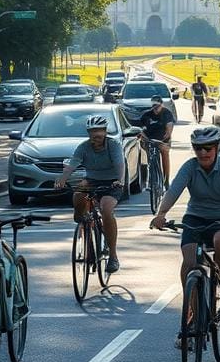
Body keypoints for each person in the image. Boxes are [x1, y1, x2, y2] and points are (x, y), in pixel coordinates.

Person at [150, 126, 220, 332]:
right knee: (190, 261)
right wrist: (161, 214)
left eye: (208, 148)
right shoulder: (190, 167)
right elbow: (174, 189)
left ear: (217, 147)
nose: (203, 152)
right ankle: (193, 309)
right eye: (198, 148)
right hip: (195, 216)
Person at [55, 115, 125, 273]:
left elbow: (120, 164)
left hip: (113, 182)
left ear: (105, 132)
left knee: (106, 210)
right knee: (77, 194)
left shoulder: (113, 145)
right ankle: (83, 219)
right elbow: (72, 164)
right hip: (92, 180)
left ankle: (113, 256)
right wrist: (62, 179)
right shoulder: (84, 147)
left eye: (99, 131)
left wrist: (120, 180)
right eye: (92, 132)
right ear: (88, 133)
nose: (96, 135)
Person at [140, 95, 174, 188]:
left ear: (162, 105)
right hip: (149, 139)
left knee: (165, 153)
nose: (155, 109)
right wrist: (145, 138)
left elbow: (169, 129)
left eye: (158, 106)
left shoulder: (167, 113)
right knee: (149, 157)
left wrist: (164, 140)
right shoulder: (146, 115)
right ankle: (151, 178)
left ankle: (166, 180)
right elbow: (140, 130)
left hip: (163, 139)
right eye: (154, 106)